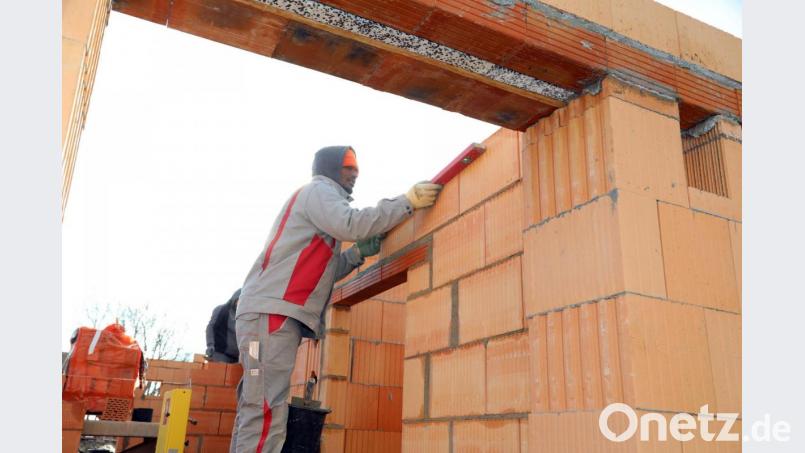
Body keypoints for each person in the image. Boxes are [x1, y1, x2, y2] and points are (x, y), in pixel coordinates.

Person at [230, 146, 441, 452]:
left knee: (255, 402)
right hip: (269, 319)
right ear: (329, 168)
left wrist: (356, 255)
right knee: (265, 407)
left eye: (356, 168)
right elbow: (351, 224)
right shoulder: (319, 191)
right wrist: (407, 203)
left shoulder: (318, 205)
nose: (355, 173)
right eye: (348, 167)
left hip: (261, 321)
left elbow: (324, 271)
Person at [205, 289, 242, 364]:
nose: (242, 303)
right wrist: (210, 345)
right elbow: (211, 327)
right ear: (235, 298)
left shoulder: (243, 316)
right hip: (220, 354)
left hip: (237, 358)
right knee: (219, 371)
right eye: (240, 300)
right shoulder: (222, 310)